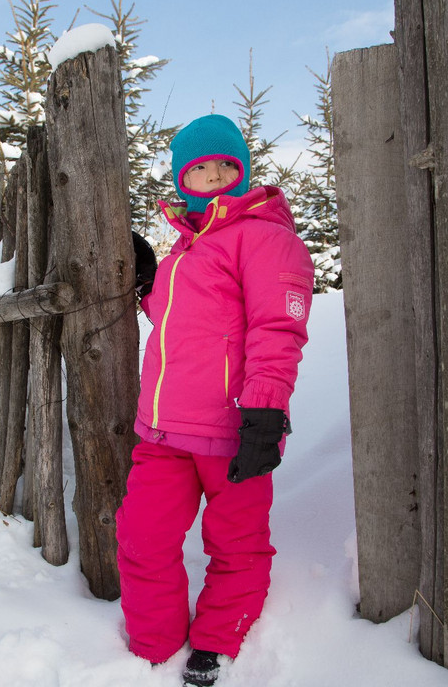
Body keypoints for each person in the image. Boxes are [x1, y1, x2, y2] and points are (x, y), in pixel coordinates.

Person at [117, 114, 316, 687]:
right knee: (141, 537)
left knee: (237, 544)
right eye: (198, 168)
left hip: (235, 433)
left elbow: (278, 329)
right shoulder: (186, 249)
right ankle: (152, 649)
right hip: (162, 434)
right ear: (183, 180)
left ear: (242, 169)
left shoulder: (265, 237)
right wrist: (151, 284)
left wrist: (266, 414)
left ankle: (217, 642)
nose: (212, 175)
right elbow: (184, 324)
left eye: (224, 165)